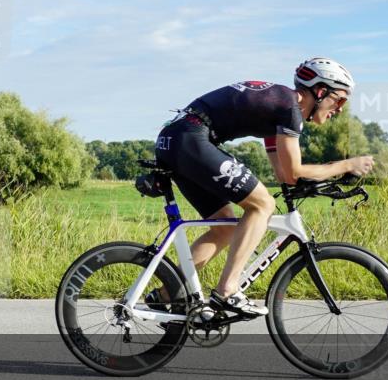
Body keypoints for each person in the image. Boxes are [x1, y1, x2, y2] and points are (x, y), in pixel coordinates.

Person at [150, 57, 374, 316]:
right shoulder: (289, 108)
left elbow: (284, 175)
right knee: (262, 205)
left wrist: (318, 183)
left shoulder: (278, 108)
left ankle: (166, 294)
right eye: (340, 100)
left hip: (178, 139)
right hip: (190, 138)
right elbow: (294, 172)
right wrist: (346, 165)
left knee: (225, 228)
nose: (340, 109)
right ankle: (227, 291)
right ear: (321, 91)